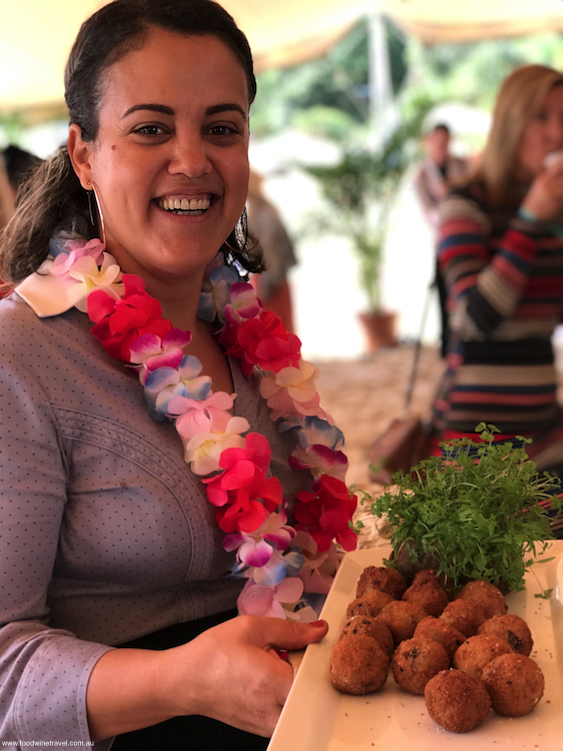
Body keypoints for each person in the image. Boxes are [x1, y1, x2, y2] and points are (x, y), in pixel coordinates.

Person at [0, 2, 360, 748]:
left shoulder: (246, 332)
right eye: (150, 128)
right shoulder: (19, 359)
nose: (192, 160)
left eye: (221, 128)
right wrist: (182, 683)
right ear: (84, 154)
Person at [430, 64, 563, 537]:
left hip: (547, 431)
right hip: (476, 439)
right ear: (510, 121)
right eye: (541, 118)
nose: (556, 133)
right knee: (486, 578)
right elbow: (475, 316)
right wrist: (529, 221)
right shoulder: (466, 204)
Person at [414, 124, 469, 358]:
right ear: (429, 141)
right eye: (437, 141)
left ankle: (463, 339)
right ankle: (446, 343)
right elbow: (427, 210)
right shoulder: (422, 174)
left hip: (464, 236)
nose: (441, 146)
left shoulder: (462, 165)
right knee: (444, 292)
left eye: (445, 141)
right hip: (440, 239)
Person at [246, 169, 297, 333]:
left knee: (273, 329)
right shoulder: (264, 209)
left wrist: (267, 281)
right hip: (271, 277)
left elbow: (269, 250)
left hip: (269, 279)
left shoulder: (261, 212)